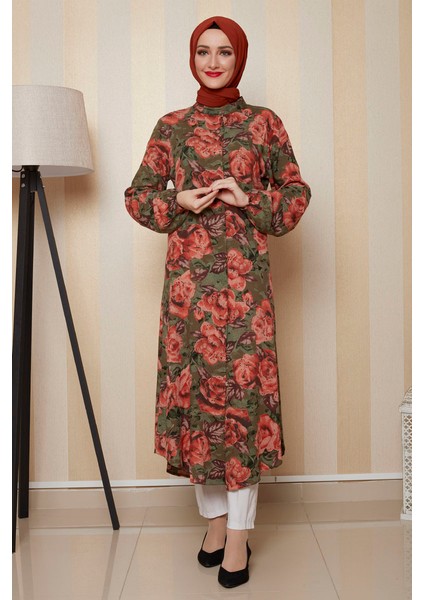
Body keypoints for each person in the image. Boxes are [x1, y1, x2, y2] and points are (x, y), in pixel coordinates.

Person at [124, 15, 311, 588]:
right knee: (199, 412)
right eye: (203, 51)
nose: (212, 61)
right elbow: (137, 197)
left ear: (239, 58)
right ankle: (213, 524)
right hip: (188, 298)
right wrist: (178, 200)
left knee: (242, 412)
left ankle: (237, 538)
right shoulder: (172, 126)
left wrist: (247, 196)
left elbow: (295, 197)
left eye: (224, 52)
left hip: (246, 295)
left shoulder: (264, 123)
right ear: (193, 58)